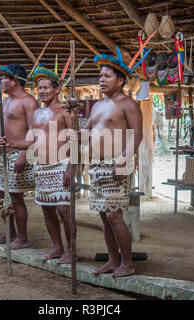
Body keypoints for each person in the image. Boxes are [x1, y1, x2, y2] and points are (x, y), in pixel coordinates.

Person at [0, 66, 75, 264]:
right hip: (41, 168)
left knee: (64, 211)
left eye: (46, 87)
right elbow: (30, 141)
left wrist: (70, 169)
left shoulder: (66, 112)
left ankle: (71, 250)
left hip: (60, 165)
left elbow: (76, 142)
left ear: (57, 89)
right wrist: (12, 144)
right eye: (39, 88)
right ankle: (57, 248)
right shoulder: (37, 114)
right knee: (47, 209)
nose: (41, 91)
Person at [84, 54, 143, 277]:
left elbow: (136, 135)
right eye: (100, 75)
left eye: (107, 76)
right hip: (97, 166)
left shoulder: (128, 104)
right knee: (103, 214)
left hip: (117, 164)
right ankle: (112, 259)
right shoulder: (98, 105)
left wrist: (124, 160)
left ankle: (127, 263)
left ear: (120, 80)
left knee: (113, 215)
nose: (102, 79)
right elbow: (86, 131)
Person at [0, 63, 39, 249]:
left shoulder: (29, 102)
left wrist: (23, 155)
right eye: (1, 78)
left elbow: (34, 131)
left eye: (5, 78)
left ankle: (23, 238)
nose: (1, 82)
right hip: (4, 155)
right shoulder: (5, 102)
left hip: (19, 153)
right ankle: (9, 232)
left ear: (16, 80)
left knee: (16, 197)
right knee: (1, 194)